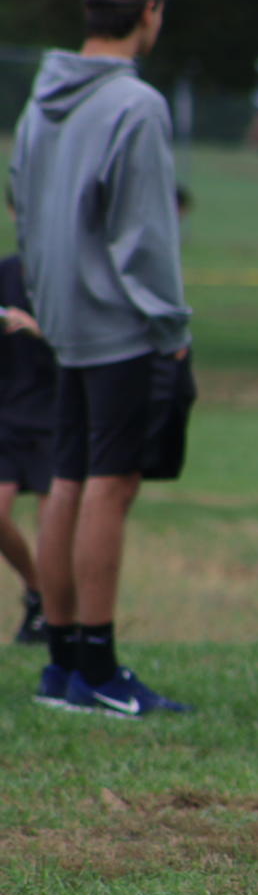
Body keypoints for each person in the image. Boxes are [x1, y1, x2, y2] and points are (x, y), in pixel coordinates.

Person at [10, 0, 193, 717]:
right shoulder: (136, 103)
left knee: (68, 480)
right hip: (118, 321)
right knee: (109, 487)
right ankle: (100, 668)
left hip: (62, 320)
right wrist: (171, 327)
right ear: (147, 12)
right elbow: (145, 233)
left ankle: (62, 663)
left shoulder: (41, 96)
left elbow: (21, 204)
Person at [0, 194, 56, 646]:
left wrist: (39, 328)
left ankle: (60, 616)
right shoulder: (5, 273)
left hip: (58, 412)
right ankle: (39, 591)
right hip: (8, 412)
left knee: (55, 525)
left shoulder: (66, 276)